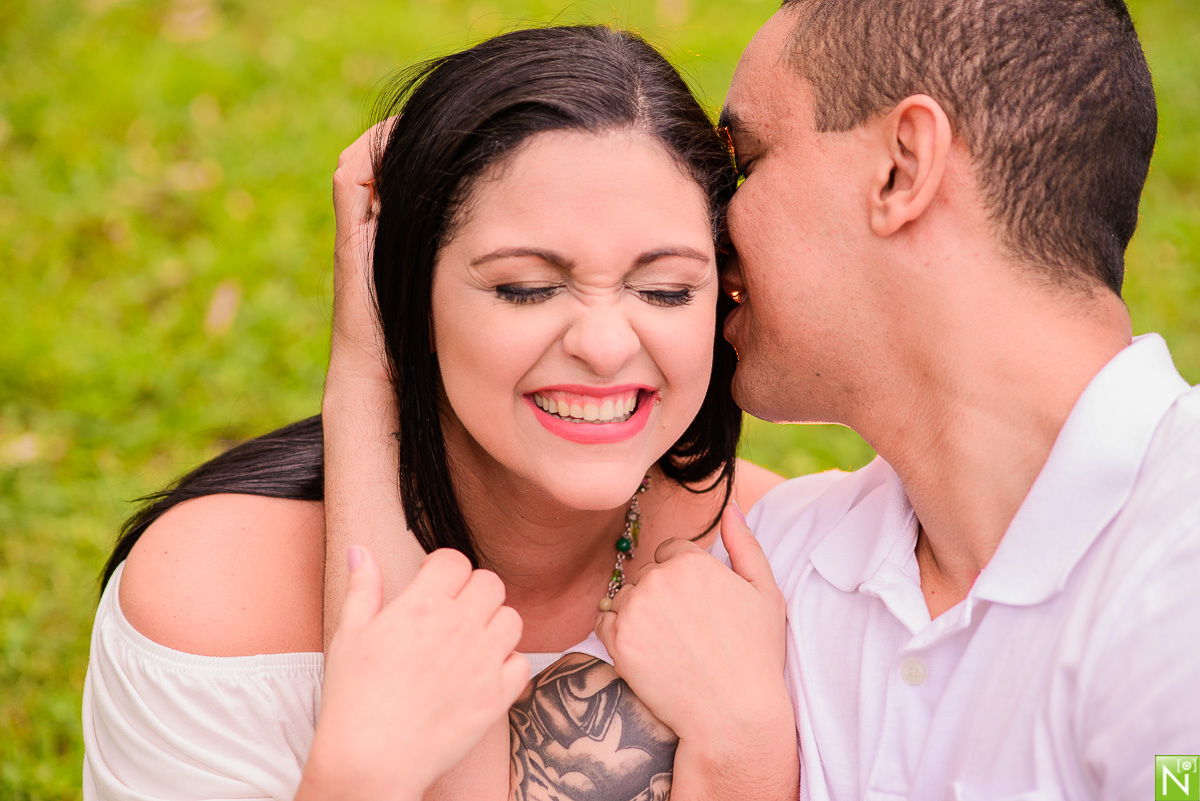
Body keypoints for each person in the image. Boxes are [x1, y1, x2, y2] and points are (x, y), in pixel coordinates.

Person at [82, 25, 796, 801]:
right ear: (410, 297)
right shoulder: (211, 596)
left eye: (663, 289)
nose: (603, 346)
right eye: (526, 287)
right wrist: (359, 774)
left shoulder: (784, 555)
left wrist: (745, 749)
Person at [593, 0, 1200, 799]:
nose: (708, 237)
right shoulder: (766, 573)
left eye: (746, 164)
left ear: (902, 168)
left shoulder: (1178, 573)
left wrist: (746, 761)